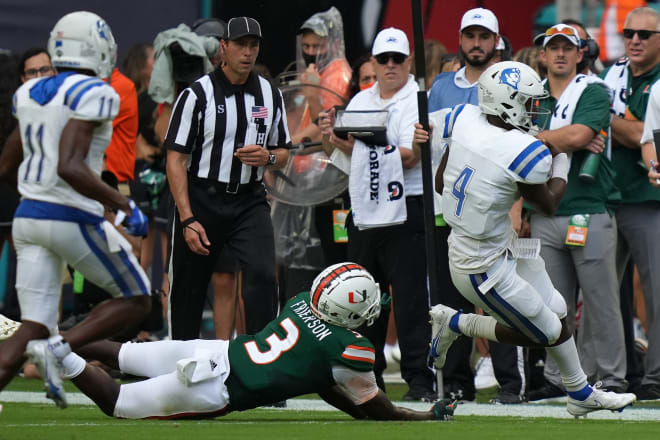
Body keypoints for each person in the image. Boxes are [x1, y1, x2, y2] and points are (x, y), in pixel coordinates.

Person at [415, 60, 637, 417]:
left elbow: (442, 182)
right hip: (480, 266)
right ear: (508, 102)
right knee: (546, 331)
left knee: (559, 311)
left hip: (495, 245)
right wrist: (562, 161)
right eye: (529, 101)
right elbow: (548, 204)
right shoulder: (519, 150)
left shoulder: (464, 119)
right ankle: (577, 392)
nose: (535, 109)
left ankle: (577, 392)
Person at [26, 262, 457, 421]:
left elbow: (326, 383)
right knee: (118, 405)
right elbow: (372, 408)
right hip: (213, 386)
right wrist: (418, 417)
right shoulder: (348, 351)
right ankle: (60, 359)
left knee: (124, 353)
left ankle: (52, 336)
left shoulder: (301, 301)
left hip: (213, 350)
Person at [0, 11, 151, 408]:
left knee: (32, 325)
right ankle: (59, 347)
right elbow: (70, 165)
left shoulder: (29, 92)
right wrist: (121, 203)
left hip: (27, 216)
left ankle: (50, 343)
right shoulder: (96, 92)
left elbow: (5, 166)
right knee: (137, 297)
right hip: (68, 214)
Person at [320, 27, 435, 401]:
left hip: (407, 207)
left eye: (396, 59)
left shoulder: (416, 98)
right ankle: (367, 377)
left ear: (408, 62)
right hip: (366, 211)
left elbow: (410, 156)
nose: (389, 66)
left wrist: (360, 143)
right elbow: (345, 155)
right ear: (372, 61)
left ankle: (419, 380)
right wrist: (331, 137)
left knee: (410, 299)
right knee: (362, 300)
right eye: (382, 59)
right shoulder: (360, 100)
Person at [165, 17, 290, 339]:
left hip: (249, 199)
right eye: (240, 45)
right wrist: (187, 218)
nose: (247, 53)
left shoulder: (269, 94)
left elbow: (284, 150)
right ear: (224, 47)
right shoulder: (197, 94)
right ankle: (180, 362)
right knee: (189, 289)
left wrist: (269, 158)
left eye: (254, 45)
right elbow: (176, 159)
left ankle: (262, 360)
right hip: (202, 197)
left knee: (263, 275)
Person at [523, 24, 627, 400]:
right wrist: (562, 137)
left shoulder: (595, 90)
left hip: (588, 206)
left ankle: (613, 376)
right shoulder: (531, 96)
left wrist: (532, 140)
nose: (561, 54)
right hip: (543, 210)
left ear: (581, 53)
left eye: (569, 47)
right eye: (554, 48)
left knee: (601, 302)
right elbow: (571, 137)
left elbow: (580, 136)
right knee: (551, 303)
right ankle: (557, 377)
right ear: (543, 55)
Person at [427, 7, 524, 404]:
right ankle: (456, 381)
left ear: (496, 41)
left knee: (499, 296)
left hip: (492, 210)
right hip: (445, 206)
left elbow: (519, 147)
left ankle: (510, 384)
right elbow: (434, 149)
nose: (477, 43)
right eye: (471, 36)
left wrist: (516, 209)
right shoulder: (438, 87)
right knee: (450, 300)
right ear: (461, 39)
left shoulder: (509, 83)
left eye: (485, 37)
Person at [603, 6, 660, 401]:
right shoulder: (614, 71)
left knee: (656, 293)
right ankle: (615, 376)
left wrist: (610, 120)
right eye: (629, 33)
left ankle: (656, 377)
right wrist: (619, 123)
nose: (635, 40)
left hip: (648, 198)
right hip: (608, 195)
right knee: (602, 295)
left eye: (645, 34)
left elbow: (643, 136)